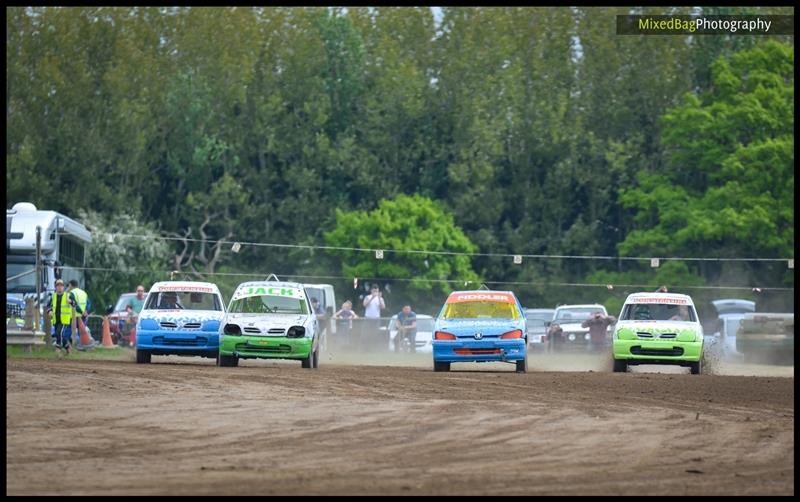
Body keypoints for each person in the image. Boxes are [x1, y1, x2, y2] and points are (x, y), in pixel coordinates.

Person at [48, 279, 82, 355]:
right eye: (58, 286)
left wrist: (70, 301)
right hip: (56, 319)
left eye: (61, 285)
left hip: (65, 320)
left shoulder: (68, 295)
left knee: (58, 333)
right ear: (55, 287)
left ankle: (58, 348)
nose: (59, 287)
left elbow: (75, 304)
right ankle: (68, 348)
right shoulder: (53, 296)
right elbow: (49, 306)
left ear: (63, 287)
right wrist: (49, 311)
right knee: (60, 335)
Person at [68, 279, 97, 350]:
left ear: (70, 285)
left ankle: (72, 347)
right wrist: (86, 311)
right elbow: (88, 303)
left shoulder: (71, 293)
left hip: (73, 316)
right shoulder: (83, 293)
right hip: (83, 317)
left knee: (68, 332)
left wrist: (81, 311)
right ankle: (84, 346)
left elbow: (74, 304)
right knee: (81, 332)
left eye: (68, 285)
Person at [362, 285, 386, 350]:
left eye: (376, 290)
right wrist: (372, 297)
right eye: (374, 290)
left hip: (376, 319)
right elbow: (364, 305)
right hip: (368, 318)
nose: (375, 291)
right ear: (371, 290)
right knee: (366, 333)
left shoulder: (380, 298)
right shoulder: (367, 297)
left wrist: (378, 298)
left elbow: (383, 307)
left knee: (375, 333)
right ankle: (365, 348)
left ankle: (374, 348)